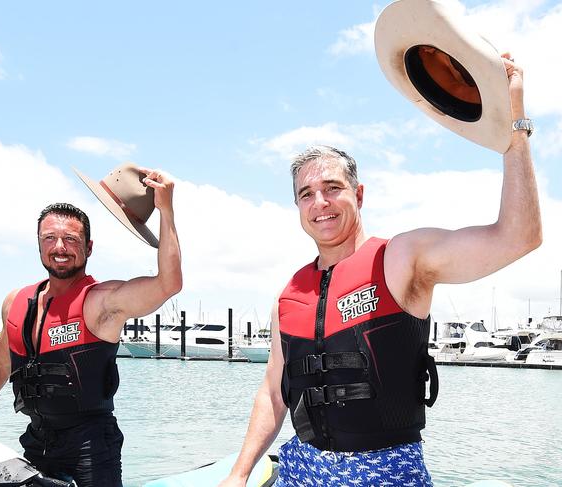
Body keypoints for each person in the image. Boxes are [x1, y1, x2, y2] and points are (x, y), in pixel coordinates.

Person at [220, 56, 541, 486]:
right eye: (307, 194)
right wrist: (239, 474)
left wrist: (514, 127)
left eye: (333, 188)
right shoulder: (290, 295)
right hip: (303, 469)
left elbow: (519, 235)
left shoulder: (401, 258)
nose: (321, 203)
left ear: (359, 194)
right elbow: (271, 394)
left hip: (386, 472)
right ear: (297, 206)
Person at [0, 168, 182, 487]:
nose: (60, 247)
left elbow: (168, 283)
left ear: (89, 247)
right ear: (39, 245)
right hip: (37, 441)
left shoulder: (103, 302)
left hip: (90, 448)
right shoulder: (17, 302)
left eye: (70, 239)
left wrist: (166, 210)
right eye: (50, 238)